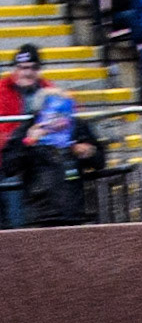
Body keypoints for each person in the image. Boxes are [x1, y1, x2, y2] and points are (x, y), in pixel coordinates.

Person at [1, 89, 104, 227]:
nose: (61, 121)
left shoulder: (77, 127)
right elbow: (9, 167)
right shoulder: (27, 130)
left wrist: (89, 153)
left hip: (73, 212)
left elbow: (100, 162)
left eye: (64, 113)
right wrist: (28, 143)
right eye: (55, 114)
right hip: (39, 214)